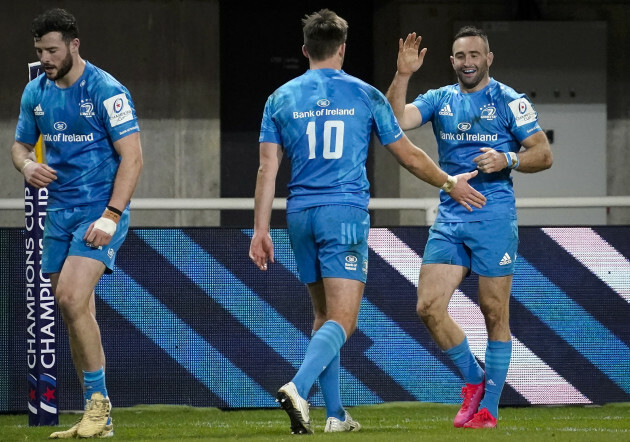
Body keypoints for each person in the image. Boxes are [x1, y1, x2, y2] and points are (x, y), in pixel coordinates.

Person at [249, 9, 486, 435]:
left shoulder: (279, 99)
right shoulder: (364, 95)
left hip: (299, 215)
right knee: (345, 319)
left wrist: (260, 229)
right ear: (342, 49)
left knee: (324, 316)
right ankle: (299, 387)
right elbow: (408, 154)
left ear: (306, 50)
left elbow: (268, 169)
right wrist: (450, 181)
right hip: (344, 214)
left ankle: (336, 414)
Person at [386, 26, 553, 428]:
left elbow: (544, 154)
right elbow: (396, 120)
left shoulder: (510, 101)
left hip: (493, 217)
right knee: (428, 307)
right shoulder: (440, 99)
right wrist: (403, 74)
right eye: (461, 56)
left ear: (488, 58)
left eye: (475, 55)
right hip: (450, 214)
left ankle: (489, 409)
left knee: (494, 313)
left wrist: (507, 160)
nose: (468, 62)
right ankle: (476, 381)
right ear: (452, 61)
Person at [11, 8, 143, 439]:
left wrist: (111, 215)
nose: (45, 58)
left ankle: (98, 408)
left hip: (100, 210)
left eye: (52, 49)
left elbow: (133, 157)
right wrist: (27, 166)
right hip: (58, 213)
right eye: (39, 51)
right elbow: (19, 146)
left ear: (74, 45)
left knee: (69, 297)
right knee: (76, 309)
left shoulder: (107, 90)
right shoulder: (35, 92)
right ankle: (98, 414)